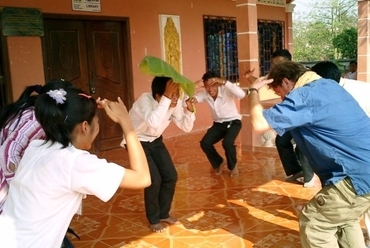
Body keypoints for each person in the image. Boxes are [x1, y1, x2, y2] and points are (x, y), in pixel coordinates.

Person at [0, 88, 151, 248]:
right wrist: (126, 122)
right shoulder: (74, 162)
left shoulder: (36, 146)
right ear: (85, 126)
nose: (98, 126)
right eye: (97, 121)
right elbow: (143, 178)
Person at [248, 60, 370, 248]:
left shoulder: (304, 96)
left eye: (280, 93)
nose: (282, 99)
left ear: (287, 82)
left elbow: (258, 124)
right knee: (345, 219)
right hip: (362, 170)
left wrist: (253, 91)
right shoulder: (329, 85)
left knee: (315, 224)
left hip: (355, 176)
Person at [122, 76, 195, 232]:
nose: (176, 98)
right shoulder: (144, 101)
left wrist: (189, 111)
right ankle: (154, 218)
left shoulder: (172, 102)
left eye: (177, 93)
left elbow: (186, 127)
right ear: (158, 96)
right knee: (154, 180)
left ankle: (163, 213)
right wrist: (167, 99)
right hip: (136, 141)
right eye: (172, 94)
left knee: (171, 176)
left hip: (155, 141)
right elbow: (153, 122)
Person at [311, 60, 370, 246]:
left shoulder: (350, 94)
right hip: (357, 159)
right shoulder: (342, 89)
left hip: (362, 159)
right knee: (351, 212)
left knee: (314, 222)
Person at [0, 79, 74, 213]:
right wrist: (19, 186)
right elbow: (8, 152)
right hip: (4, 186)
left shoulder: (31, 112)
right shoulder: (37, 120)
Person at [245, 49, 315, 187]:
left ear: (290, 62)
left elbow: (259, 124)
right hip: (289, 115)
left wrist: (252, 91)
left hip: (304, 116)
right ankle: (296, 170)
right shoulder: (277, 76)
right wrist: (249, 79)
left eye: (279, 63)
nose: (276, 67)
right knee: (281, 140)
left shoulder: (301, 77)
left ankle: (309, 177)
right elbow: (263, 83)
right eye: (274, 64)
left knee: (302, 143)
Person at [192, 71, 245, 177]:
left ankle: (233, 166)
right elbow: (188, 100)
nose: (210, 89)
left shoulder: (226, 90)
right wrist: (195, 86)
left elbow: (242, 94)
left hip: (233, 122)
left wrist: (225, 82)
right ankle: (219, 162)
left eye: (213, 85)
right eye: (207, 86)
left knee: (227, 143)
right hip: (218, 124)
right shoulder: (204, 94)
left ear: (218, 83)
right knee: (205, 143)